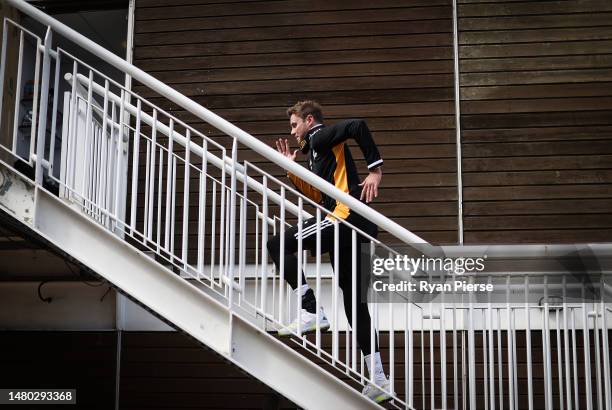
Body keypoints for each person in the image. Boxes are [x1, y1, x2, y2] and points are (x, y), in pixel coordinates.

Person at [267, 100, 391, 403]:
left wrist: (375, 170)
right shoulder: (318, 152)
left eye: (295, 124)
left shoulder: (319, 136)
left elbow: (357, 125)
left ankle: (310, 309)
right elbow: (318, 194)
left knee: (277, 244)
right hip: (353, 225)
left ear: (310, 120)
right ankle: (379, 380)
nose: (293, 132)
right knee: (353, 304)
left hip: (343, 218)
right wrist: (292, 168)